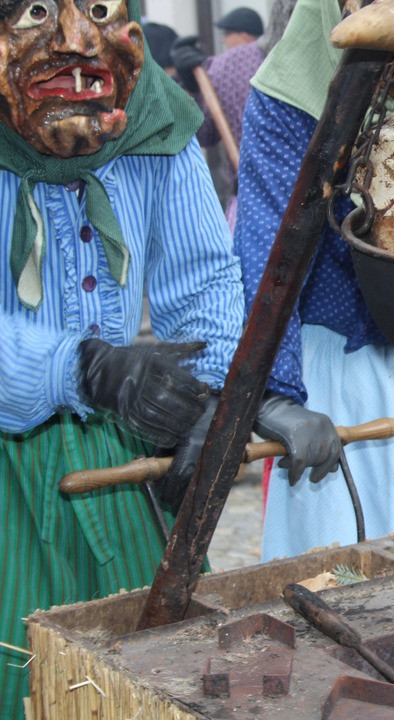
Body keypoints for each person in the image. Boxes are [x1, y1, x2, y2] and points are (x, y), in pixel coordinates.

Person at [0, 1, 248, 716]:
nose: (77, 41)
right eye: (36, 12)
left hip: (122, 459)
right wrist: (81, 367)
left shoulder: (152, 122)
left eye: (101, 9)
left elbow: (202, 277)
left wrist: (206, 399)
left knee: (156, 670)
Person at [234, 0, 394, 560]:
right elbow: (265, 248)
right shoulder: (289, 96)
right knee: (338, 560)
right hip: (339, 372)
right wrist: (277, 394)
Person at [172, 0, 297, 229]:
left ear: (243, 34)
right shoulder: (223, 67)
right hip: (307, 198)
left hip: (252, 204)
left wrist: (190, 90)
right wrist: (193, 87)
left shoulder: (223, 66)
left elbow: (203, 133)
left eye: (227, 33)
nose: (223, 39)